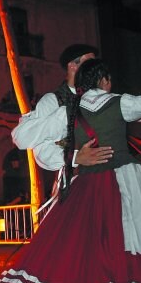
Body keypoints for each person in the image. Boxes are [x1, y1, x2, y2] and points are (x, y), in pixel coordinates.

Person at [0, 59, 141, 283]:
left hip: (88, 189)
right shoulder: (120, 102)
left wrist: (71, 154)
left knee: (94, 259)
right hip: (126, 185)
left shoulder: (67, 109)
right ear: (106, 80)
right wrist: (72, 155)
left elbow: (21, 137)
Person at [12, 44, 114, 181]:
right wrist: (76, 157)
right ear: (72, 66)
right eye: (89, 63)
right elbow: (41, 151)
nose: (95, 69)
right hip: (75, 181)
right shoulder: (53, 101)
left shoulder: (99, 97)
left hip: (109, 174)